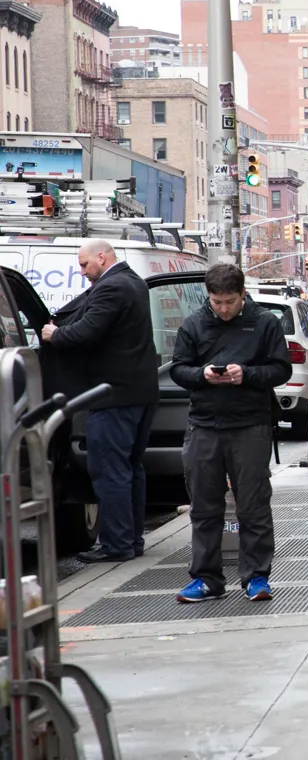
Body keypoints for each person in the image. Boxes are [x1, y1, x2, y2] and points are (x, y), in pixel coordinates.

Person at [169, 263, 292, 604]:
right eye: (217, 302)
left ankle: (257, 577)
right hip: (204, 425)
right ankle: (206, 578)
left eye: (230, 302)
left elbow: (281, 369)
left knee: (253, 505)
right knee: (204, 507)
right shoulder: (194, 323)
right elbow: (179, 369)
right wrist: (203, 375)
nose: (223, 309)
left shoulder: (264, 322)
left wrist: (246, 374)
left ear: (242, 294)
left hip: (250, 425)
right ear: (208, 297)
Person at [41, 240, 159, 563]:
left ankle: (117, 545)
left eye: (84, 264)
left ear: (102, 257)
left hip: (112, 396)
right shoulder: (134, 282)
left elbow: (87, 331)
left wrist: (54, 334)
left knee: (110, 471)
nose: (82, 272)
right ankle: (131, 540)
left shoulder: (112, 287)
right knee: (130, 468)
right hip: (139, 393)